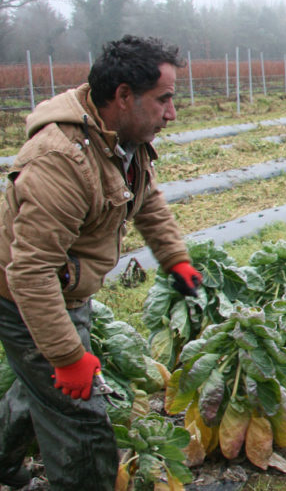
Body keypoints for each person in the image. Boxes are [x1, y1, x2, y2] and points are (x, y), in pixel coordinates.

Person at [0, 35, 203, 490]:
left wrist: (175, 259)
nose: (172, 113)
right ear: (123, 95)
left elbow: (146, 199)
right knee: (81, 415)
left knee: (37, 389)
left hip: (68, 286)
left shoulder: (121, 139)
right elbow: (29, 271)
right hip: (23, 295)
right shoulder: (61, 160)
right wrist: (68, 356)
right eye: (164, 99)